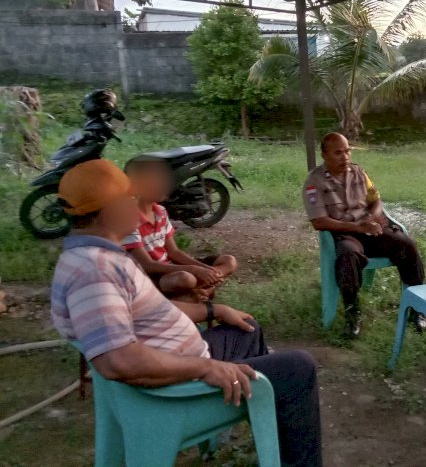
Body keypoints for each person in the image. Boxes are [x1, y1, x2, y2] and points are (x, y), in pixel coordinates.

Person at [51, 159, 322, 467]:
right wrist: (203, 369)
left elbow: (147, 313)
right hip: (175, 390)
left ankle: (263, 424)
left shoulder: (101, 257)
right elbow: (118, 361)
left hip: (181, 362)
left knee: (246, 327)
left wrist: (214, 309)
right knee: (299, 369)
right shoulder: (95, 271)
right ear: (109, 210)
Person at [303, 132, 426, 338]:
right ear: (324, 155)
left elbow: (376, 199)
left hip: (369, 229)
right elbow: (319, 222)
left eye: (347, 151)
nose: (345, 157)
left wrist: (373, 216)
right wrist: (358, 227)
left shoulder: (359, 173)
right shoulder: (314, 182)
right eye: (338, 153)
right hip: (344, 233)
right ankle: (353, 313)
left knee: (407, 246)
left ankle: (417, 307)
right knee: (347, 256)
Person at [122, 159, 237, 302]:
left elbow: (174, 252)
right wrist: (194, 270)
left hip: (171, 267)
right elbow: (147, 265)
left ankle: (203, 289)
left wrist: (207, 271)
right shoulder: (129, 218)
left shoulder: (160, 212)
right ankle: (198, 290)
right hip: (152, 275)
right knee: (185, 278)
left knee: (229, 261)